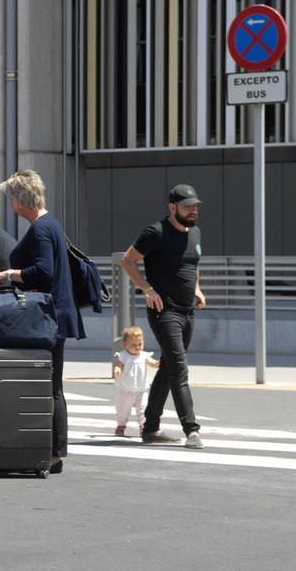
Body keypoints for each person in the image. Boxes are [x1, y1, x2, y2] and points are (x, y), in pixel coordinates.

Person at [0, 169, 84, 475]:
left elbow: (43, 271)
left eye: (10, 198)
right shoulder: (50, 223)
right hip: (55, 314)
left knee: (51, 386)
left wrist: (6, 275)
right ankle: (54, 451)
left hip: (49, 317)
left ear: (20, 199)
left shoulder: (42, 229)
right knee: (51, 384)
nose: (10, 204)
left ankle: (56, 453)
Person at [120, 183, 206, 449]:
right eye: (186, 206)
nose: (192, 211)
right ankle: (192, 430)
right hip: (164, 310)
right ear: (172, 207)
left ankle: (151, 427)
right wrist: (146, 288)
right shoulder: (155, 232)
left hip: (187, 310)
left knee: (169, 367)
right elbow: (127, 260)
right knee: (179, 367)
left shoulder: (195, 233)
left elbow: (192, 266)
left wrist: (197, 289)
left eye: (194, 206)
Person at [112, 326, 160, 437]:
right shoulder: (123, 355)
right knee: (122, 409)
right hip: (125, 389)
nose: (137, 347)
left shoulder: (144, 355)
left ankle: (143, 426)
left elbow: (152, 363)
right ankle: (121, 425)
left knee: (143, 408)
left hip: (141, 389)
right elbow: (118, 364)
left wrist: (158, 364)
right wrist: (117, 369)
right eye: (134, 345)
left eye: (140, 344)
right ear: (125, 345)